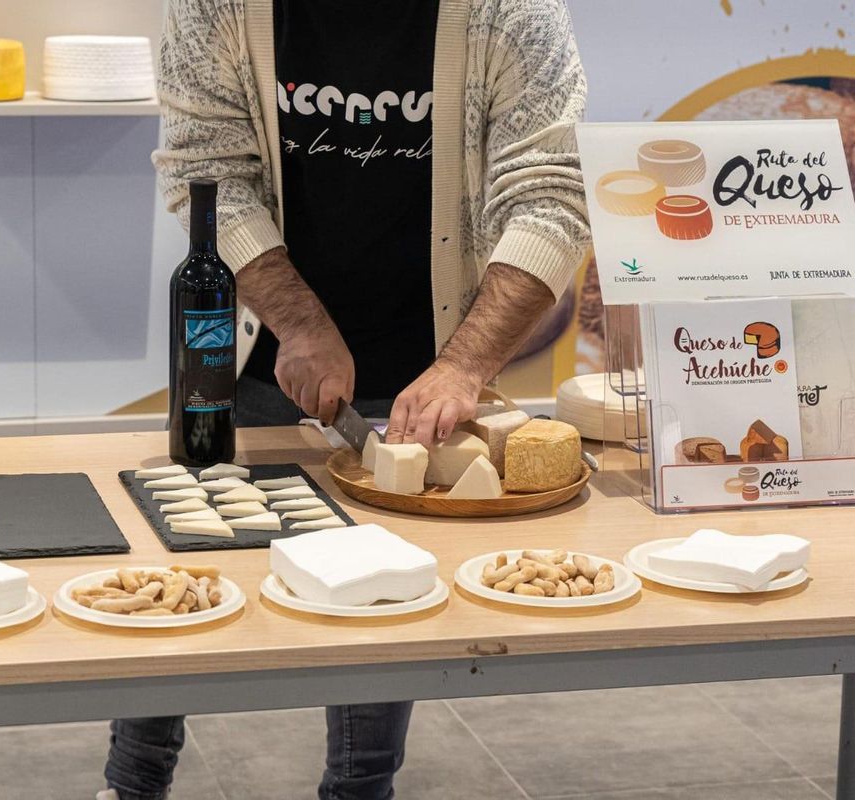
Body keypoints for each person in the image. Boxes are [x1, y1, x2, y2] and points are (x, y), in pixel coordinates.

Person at [101, 0, 589, 797]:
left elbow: (550, 198)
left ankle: (359, 791)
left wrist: (463, 364)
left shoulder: (510, 9)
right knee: (179, 589)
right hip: (262, 359)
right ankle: (132, 785)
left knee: (380, 602)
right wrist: (298, 321)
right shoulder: (214, 4)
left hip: (429, 362)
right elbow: (208, 172)